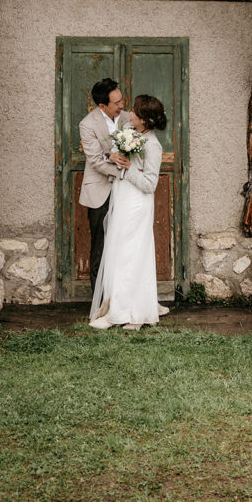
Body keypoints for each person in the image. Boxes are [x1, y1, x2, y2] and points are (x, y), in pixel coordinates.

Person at [89, 94, 168, 330]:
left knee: (130, 255)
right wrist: (115, 159)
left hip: (137, 203)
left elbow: (150, 185)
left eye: (134, 112)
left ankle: (129, 312)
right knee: (117, 252)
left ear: (144, 120)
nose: (129, 114)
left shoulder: (152, 146)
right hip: (122, 198)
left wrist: (128, 169)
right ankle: (119, 306)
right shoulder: (130, 132)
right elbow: (116, 157)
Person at [78, 78, 129, 292]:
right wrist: (120, 170)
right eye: (116, 103)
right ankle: (99, 299)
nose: (122, 105)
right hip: (100, 190)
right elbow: (96, 160)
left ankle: (122, 294)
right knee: (100, 243)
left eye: (121, 99)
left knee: (126, 241)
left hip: (127, 190)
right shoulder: (87, 124)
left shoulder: (128, 118)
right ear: (102, 106)